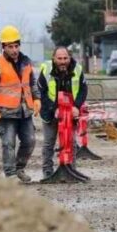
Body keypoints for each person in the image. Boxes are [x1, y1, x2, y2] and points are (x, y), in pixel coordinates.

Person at [0, 25, 40, 182]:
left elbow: (31, 82)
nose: (14, 50)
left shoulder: (26, 61)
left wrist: (36, 98)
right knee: (8, 143)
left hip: (24, 111)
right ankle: (10, 174)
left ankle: (19, 168)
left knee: (30, 141)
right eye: (10, 47)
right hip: (6, 112)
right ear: (3, 47)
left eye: (16, 46)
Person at [37, 46, 87, 178]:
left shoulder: (77, 69)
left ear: (69, 58)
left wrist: (76, 106)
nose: (63, 61)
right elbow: (41, 93)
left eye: (65, 58)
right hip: (50, 111)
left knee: (71, 141)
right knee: (49, 142)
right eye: (59, 58)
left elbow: (83, 89)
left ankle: (71, 168)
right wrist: (54, 109)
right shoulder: (46, 70)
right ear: (54, 58)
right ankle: (47, 171)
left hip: (71, 112)